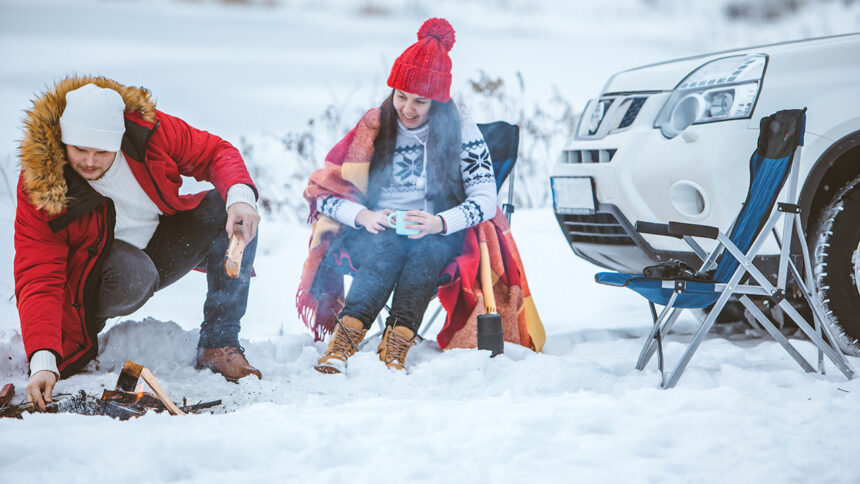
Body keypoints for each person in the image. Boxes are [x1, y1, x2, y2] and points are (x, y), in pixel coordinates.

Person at [17, 77, 262, 411]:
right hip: (98, 280)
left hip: (155, 244)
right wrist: (43, 361)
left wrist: (241, 198)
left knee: (229, 210)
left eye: (101, 152)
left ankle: (218, 343)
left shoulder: (150, 132)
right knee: (136, 272)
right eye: (79, 151)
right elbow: (38, 274)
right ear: (63, 141)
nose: (89, 162)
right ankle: (91, 326)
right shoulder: (43, 182)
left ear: (118, 139)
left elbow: (216, 152)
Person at [298, 18, 499, 373]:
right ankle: (342, 344)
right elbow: (323, 195)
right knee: (388, 246)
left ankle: (396, 346)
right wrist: (364, 216)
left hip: (437, 235)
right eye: (401, 96)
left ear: (437, 101)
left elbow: (486, 200)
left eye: (420, 101)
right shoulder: (374, 127)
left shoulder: (461, 130)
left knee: (424, 248)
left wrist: (439, 222)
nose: (407, 108)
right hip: (373, 232)